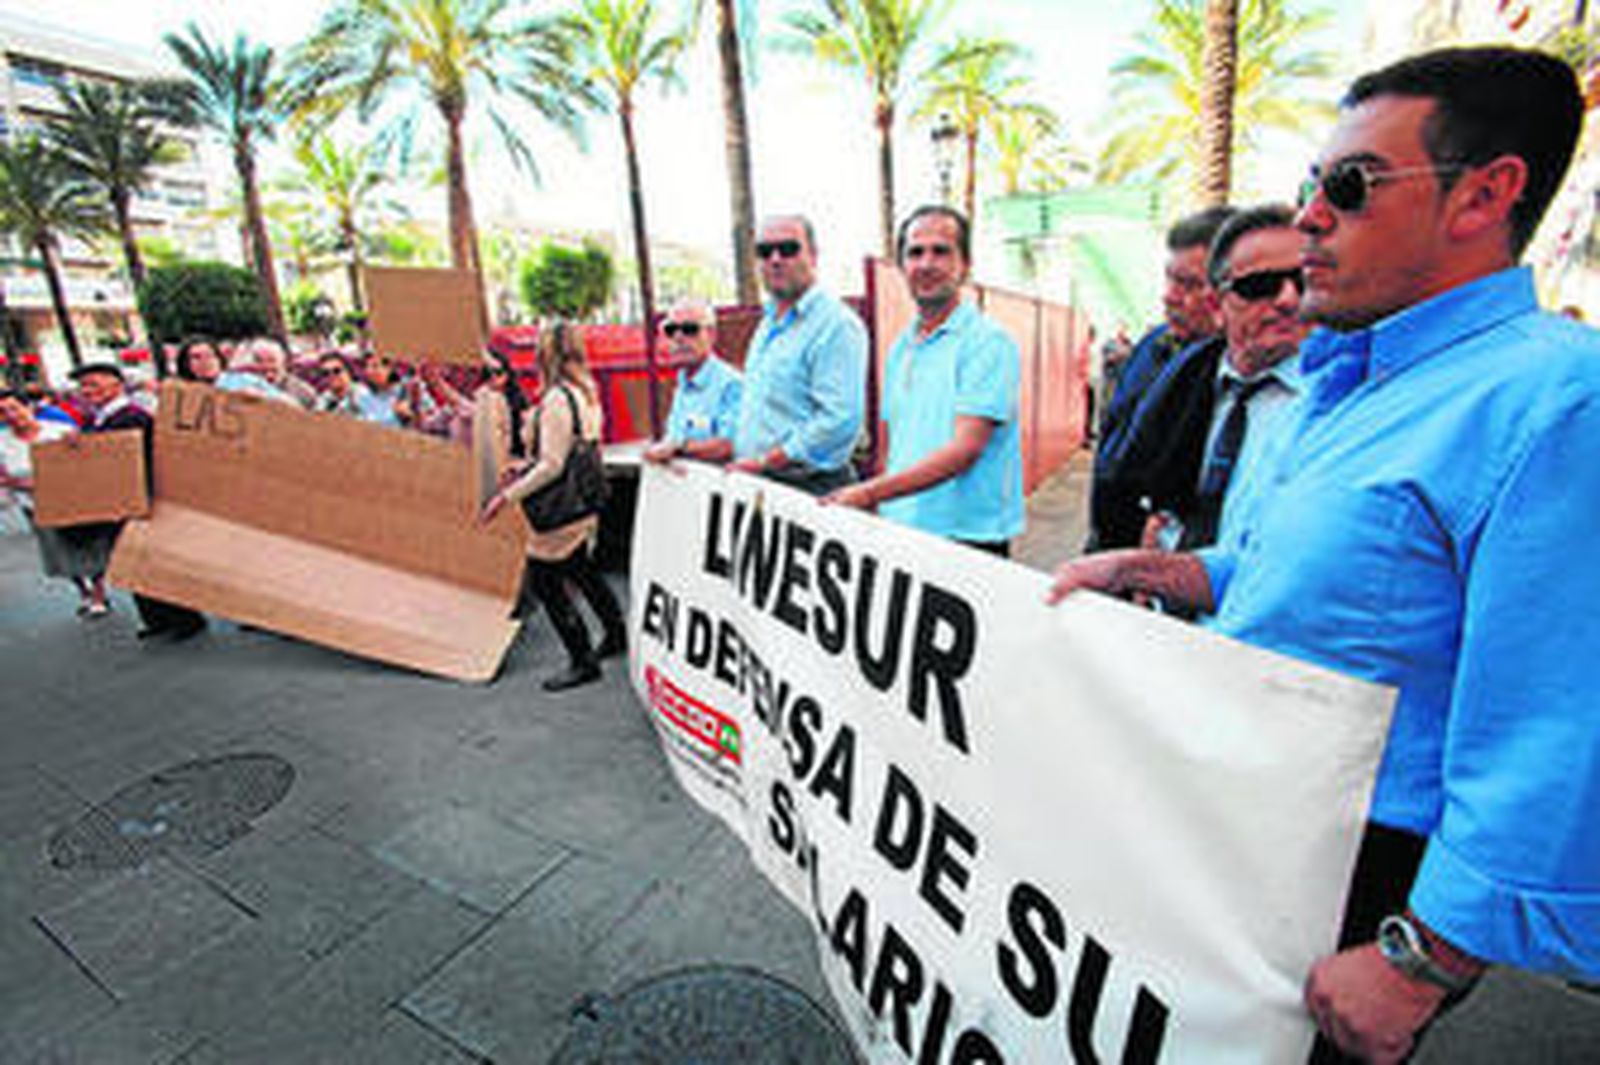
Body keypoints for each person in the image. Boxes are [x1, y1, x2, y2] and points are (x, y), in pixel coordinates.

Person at [1048, 47, 1599, 1063]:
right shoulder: (1352, 380)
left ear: (1485, 194)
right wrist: (1157, 571)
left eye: (1347, 186)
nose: (1307, 217)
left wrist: (1422, 958)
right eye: (1311, 186)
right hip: (1244, 822)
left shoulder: (1558, 401)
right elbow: (1296, 579)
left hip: (1361, 877)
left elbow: (1558, 719)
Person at [825, 205, 1023, 557]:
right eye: (915, 253)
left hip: (966, 540)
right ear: (902, 266)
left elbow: (966, 449)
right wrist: (882, 508)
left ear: (965, 265)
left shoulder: (987, 342)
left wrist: (870, 494)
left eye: (941, 251)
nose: (926, 264)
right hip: (903, 529)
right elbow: (893, 443)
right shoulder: (902, 346)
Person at [1116, 204, 1311, 556]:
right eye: (1260, 286)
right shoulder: (1188, 377)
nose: (1288, 299)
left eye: (1303, 281)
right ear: (1217, 305)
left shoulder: (1343, 401)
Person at [480, 322, 626, 692]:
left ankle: (582, 660)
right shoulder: (585, 392)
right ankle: (616, 633)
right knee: (583, 570)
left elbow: (552, 465)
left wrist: (506, 496)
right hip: (583, 500)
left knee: (545, 580)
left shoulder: (559, 398)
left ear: (547, 354)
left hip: (561, 506)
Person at [1089, 207, 1234, 549]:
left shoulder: (1232, 379)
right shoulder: (1153, 344)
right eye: (1170, 279)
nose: (1170, 296)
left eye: (1190, 285)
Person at [721, 214, 868, 494]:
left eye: (788, 249)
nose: (775, 259)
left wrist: (767, 460)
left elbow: (839, 420)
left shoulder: (836, 325)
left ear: (813, 256)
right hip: (763, 485)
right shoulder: (768, 324)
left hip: (809, 491)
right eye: (764, 252)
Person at [72, 362, 206, 640]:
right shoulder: (95, 420)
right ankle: (155, 619)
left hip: (142, 500)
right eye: (83, 386)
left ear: (117, 385)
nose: (87, 391)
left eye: (93, 384)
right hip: (115, 503)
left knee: (157, 562)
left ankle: (184, 619)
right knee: (132, 561)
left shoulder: (133, 417)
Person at [0, 388, 96, 610]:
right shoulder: (2, 442)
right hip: (35, 506)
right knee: (59, 552)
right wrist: (18, 484)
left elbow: (88, 463)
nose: (12, 415)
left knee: (88, 548)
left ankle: (98, 595)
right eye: (3, 412)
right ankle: (84, 591)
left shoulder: (60, 431)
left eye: (15, 408)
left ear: (29, 407)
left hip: (73, 500)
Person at [642, 300, 743, 465]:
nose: (679, 337)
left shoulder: (732, 385)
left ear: (711, 335)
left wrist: (679, 447)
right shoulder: (682, 385)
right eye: (671, 330)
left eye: (690, 330)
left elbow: (730, 445)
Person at [216, 337, 304, 407]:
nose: (265, 365)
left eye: (271, 360)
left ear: (283, 362)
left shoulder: (299, 389)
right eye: (258, 360)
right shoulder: (241, 381)